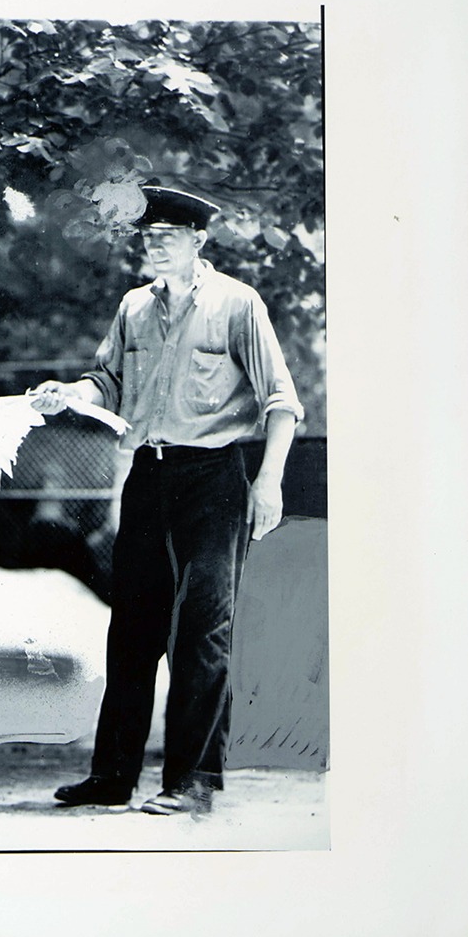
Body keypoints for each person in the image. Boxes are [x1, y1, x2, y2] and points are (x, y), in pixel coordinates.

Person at [31, 185, 303, 816]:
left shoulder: (239, 304)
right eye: (147, 237)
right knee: (131, 630)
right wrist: (69, 392)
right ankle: (113, 778)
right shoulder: (132, 307)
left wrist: (268, 483)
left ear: (198, 240)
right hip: (148, 478)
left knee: (204, 630)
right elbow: (106, 381)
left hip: (214, 480)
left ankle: (192, 783)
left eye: (167, 236)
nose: (154, 245)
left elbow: (281, 403)